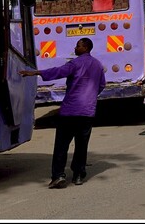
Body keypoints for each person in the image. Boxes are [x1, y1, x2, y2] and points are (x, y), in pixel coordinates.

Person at [20, 37, 106, 188]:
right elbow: (101, 85)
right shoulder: (98, 65)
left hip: (70, 111)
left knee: (61, 145)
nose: (75, 48)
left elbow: (58, 72)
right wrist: (90, 96)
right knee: (81, 145)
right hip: (87, 112)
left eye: (78, 45)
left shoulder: (75, 63)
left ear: (85, 48)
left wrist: (36, 73)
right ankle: (78, 175)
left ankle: (58, 175)